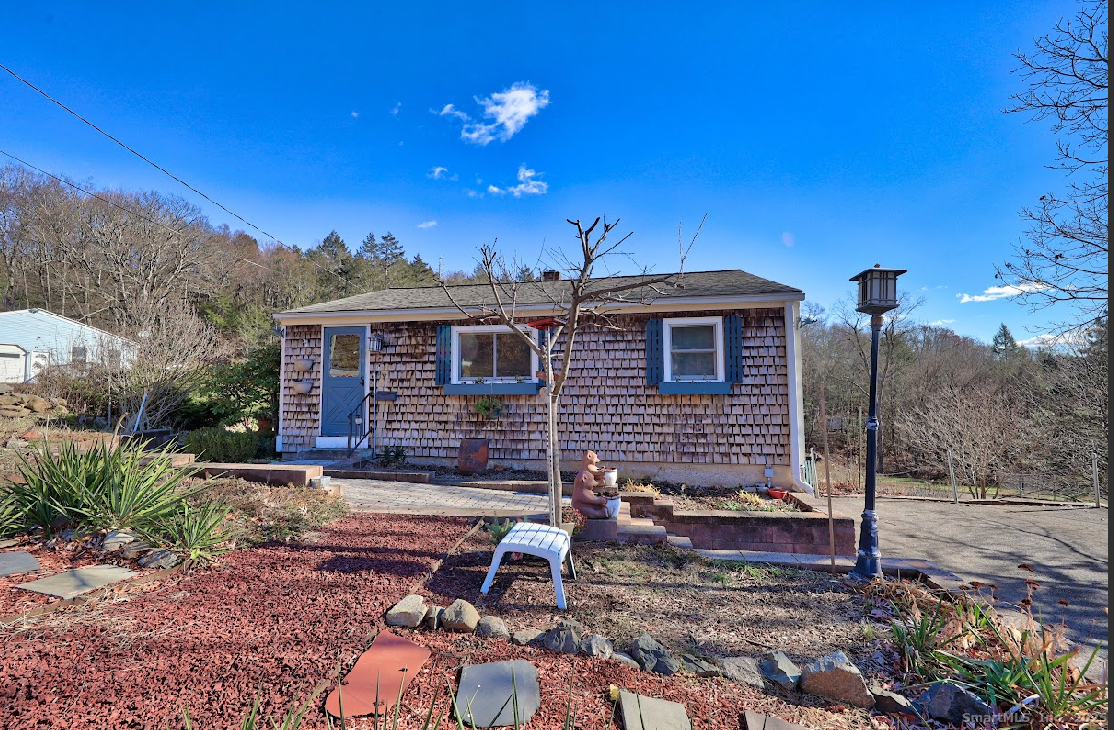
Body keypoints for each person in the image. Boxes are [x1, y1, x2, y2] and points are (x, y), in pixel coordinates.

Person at [572, 449, 609, 519]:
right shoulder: (581, 492)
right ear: (584, 479)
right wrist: (597, 500)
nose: (593, 482)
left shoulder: (585, 487)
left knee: (597, 507)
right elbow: (587, 498)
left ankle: (601, 511)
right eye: (592, 480)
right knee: (591, 512)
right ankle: (600, 514)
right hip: (581, 506)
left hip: (586, 504)